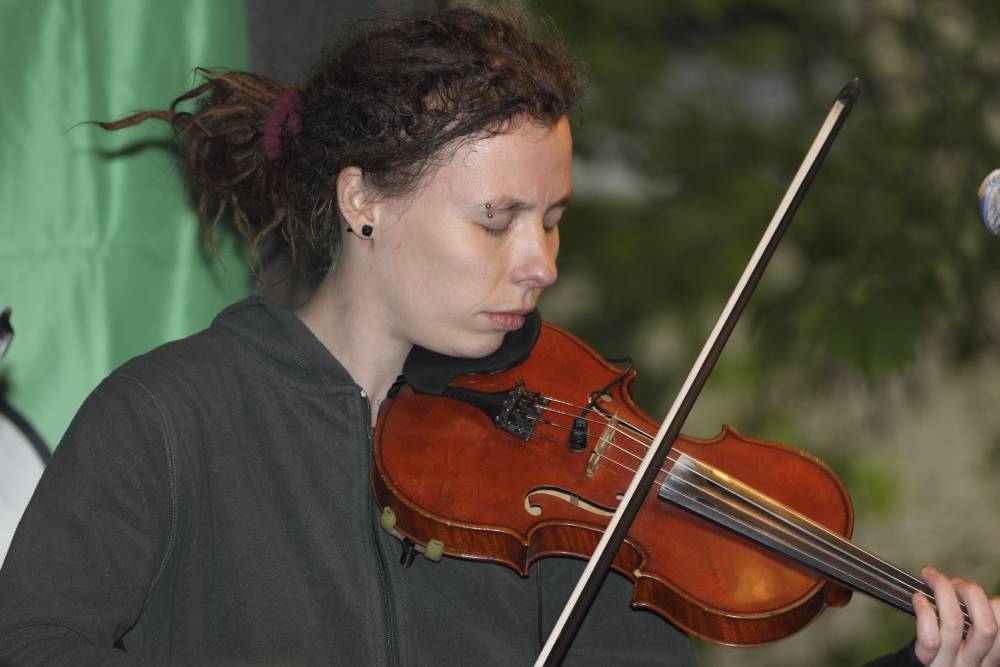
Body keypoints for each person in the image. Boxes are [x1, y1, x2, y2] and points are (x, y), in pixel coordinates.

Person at [0, 6, 997, 667]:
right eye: (496, 219)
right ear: (362, 201)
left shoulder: (561, 473)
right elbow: (32, 641)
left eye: (553, 219)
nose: (540, 263)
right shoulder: (170, 416)